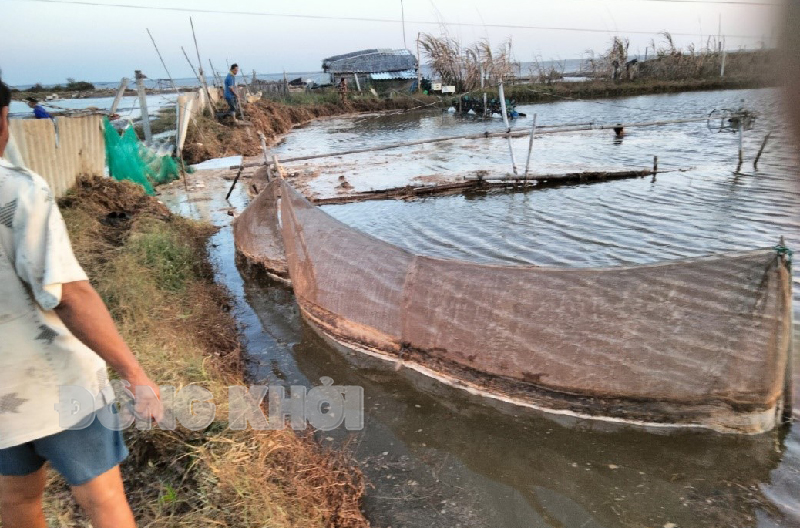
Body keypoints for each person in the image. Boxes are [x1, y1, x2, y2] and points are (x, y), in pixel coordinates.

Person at [0, 80, 162, 528]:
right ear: (3, 121)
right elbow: (68, 295)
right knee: (103, 500)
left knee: (14, 502)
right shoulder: (17, 190)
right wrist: (134, 372)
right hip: (53, 383)